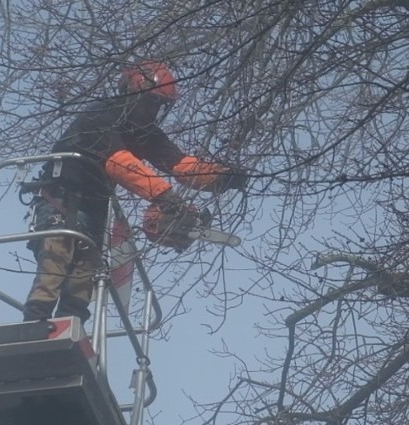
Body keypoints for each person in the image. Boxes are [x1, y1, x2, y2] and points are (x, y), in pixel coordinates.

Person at [22, 60, 244, 323]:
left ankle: (70, 331)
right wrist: (166, 196)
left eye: (159, 106)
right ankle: (35, 325)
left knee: (83, 278)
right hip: (60, 197)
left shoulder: (145, 133)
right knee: (55, 264)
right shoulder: (101, 117)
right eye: (150, 102)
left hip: (94, 208)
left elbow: (182, 166)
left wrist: (223, 177)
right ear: (130, 94)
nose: (152, 111)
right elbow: (120, 163)